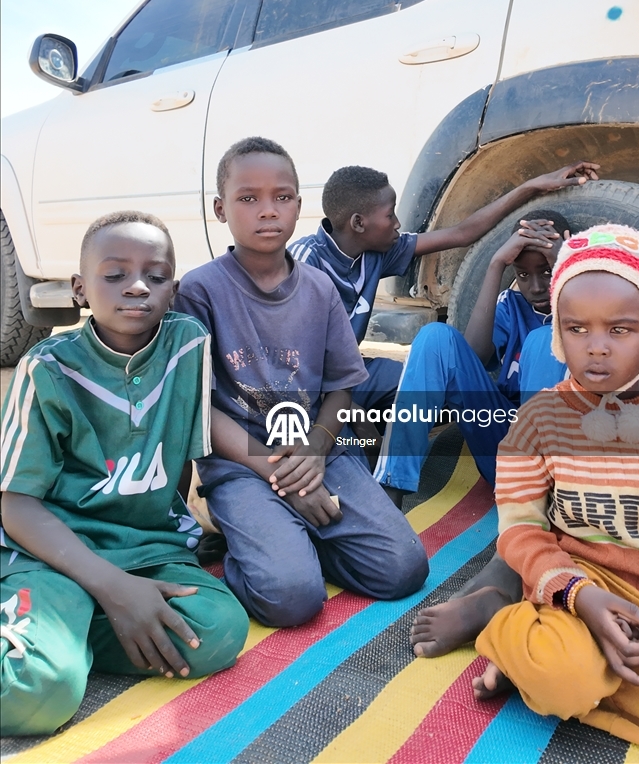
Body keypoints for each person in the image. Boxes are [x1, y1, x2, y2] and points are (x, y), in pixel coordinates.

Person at [0, 212, 249, 738]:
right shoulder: (47, 369)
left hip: (147, 551)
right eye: (114, 275)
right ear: (79, 288)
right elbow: (16, 504)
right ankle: (56, 624)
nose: (137, 286)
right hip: (54, 554)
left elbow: (181, 464)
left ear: (173, 288)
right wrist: (112, 586)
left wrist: (161, 556)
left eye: (156, 276)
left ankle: (62, 630)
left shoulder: (188, 345)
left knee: (220, 630)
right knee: (35, 695)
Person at [173, 137, 429, 630]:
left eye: (282, 197)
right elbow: (197, 407)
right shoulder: (200, 291)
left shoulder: (318, 289)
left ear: (298, 205)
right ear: (220, 209)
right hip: (242, 462)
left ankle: (288, 538)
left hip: (319, 453)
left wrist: (313, 452)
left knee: (403, 569)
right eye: (248, 198)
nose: (267, 211)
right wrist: (282, 481)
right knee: (291, 598)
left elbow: (340, 387)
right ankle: (262, 542)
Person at [471, 224, 639, 756]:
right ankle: (513, 633)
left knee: (614, 666)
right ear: (557, 334)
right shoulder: (537, 420)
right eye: (577, 329)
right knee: (569, 679)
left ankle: (536, 671)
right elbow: (520, 531)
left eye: (620, 330)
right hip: (575, 594)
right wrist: (580, 597)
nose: (596, 349)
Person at [289, 162, 599, 420]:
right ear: (358, 223)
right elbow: (290, 360)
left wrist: (530, 187)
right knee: (350, 438)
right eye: (389, 215)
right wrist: (347, 410)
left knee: (428, 387)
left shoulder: (376, 252)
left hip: (350, 374)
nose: (398, 223)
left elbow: (463, 233)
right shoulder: (306, 262)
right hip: (300, 385)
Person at [375, 209, 572, 499]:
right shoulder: (511, 305)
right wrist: (495, 264)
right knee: (435, 336)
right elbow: (474, 356)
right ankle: (392, 484)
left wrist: (567, 263)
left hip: (561, 458)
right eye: (522, 274)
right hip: (503, 441)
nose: (537, 286)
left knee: (544, 339)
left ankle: (542, 498)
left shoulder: (589, 303)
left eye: (547, 271)